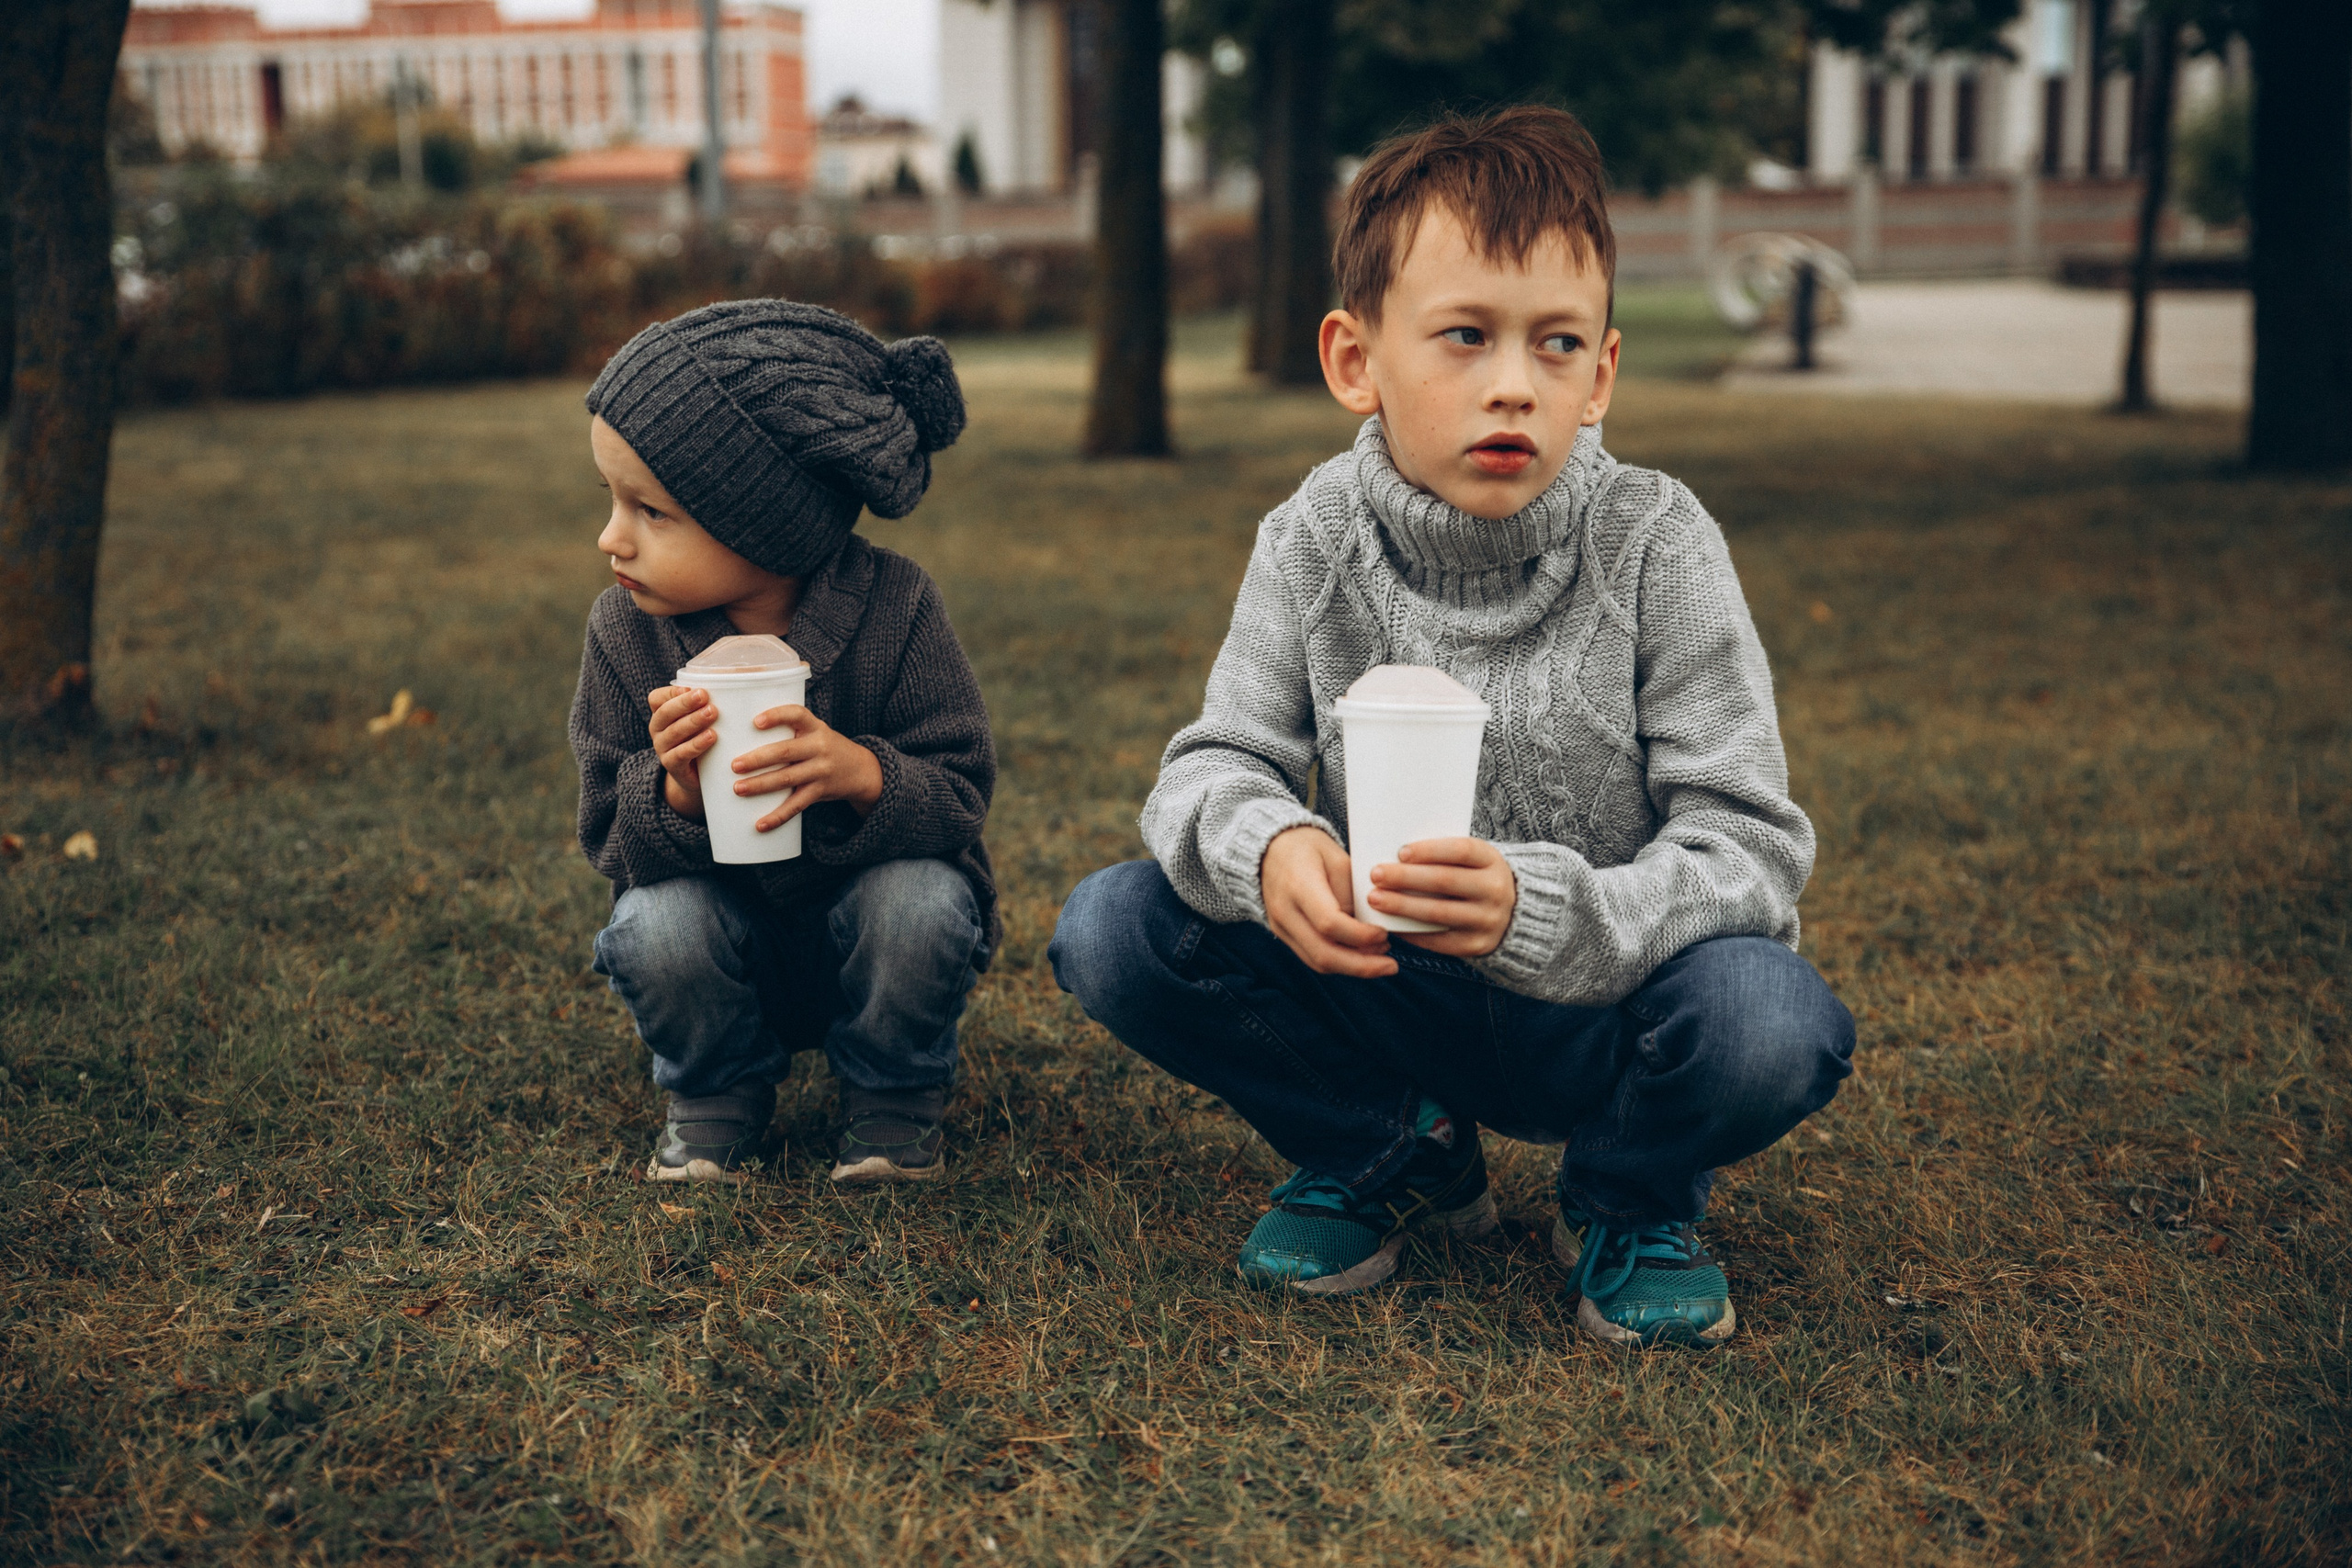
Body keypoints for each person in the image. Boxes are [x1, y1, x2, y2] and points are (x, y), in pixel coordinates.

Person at [1049, 106, 1854, 1348]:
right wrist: (1271, 847)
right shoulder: (1311, 538)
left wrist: (1545, 910)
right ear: (1355, 359)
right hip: (1384, 981)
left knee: (1770, 1020)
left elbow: (1748, 847)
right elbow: (1215, 764)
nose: (1515, 383)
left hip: (1610, 1000)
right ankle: (1393, 1146)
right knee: (1115, 926)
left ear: (1602, 376)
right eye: (1466, 335)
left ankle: (1626, 1196)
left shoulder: (1660, 543)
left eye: (1557, 343)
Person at [569, 299, 996, 1189]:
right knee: (654, 925)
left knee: (921, 902)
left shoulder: (897, 607)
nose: (611, 537)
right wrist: (674, 791)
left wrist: (864, 774)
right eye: (612, 500)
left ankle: (892, 1092)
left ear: (766, 524)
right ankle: (717, 1090)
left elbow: (961, 795)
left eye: (649, 511)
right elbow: (607, 830)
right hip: (724, 942)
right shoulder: (624, 631)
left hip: (868, 931)